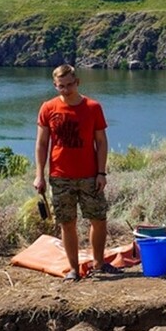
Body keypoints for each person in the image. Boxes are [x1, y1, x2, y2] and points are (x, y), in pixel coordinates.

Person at [34, 64, 119, 282]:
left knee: (98, 219)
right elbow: (42, 144)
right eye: (61, 86)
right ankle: (73, 269)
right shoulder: (48, 108)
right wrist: (39, 175)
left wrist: (102, 172)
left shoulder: (93, 107)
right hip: (60, 177)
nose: (65, 89)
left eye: (69, 84)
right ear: (55, 85)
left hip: (90, 175)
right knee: (67, 223)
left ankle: (99, 263)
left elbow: (101, 142)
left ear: (77, 82)